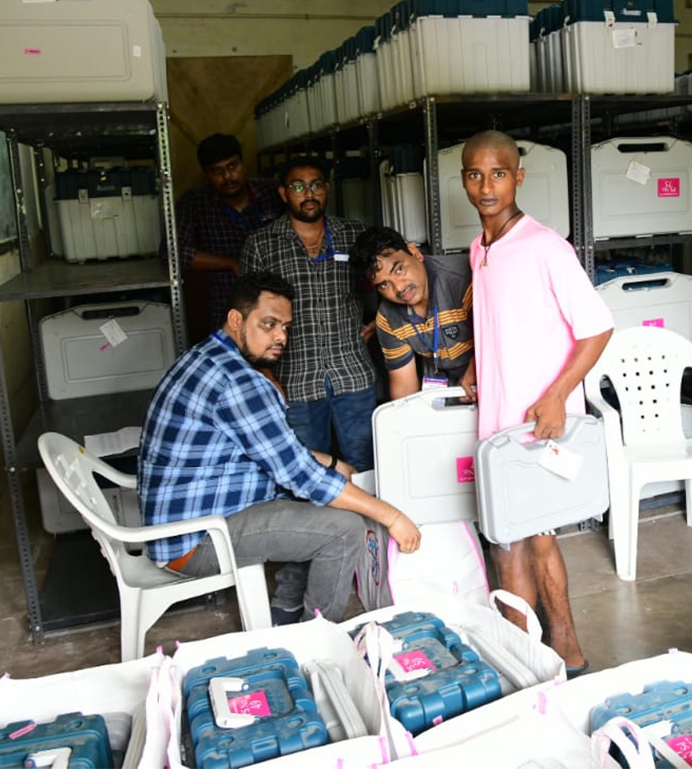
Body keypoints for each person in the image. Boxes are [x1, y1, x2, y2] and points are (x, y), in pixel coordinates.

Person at [137, 272, 420, 625]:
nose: (279, 337)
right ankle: (319, 638)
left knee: (320, 492)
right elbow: (302, 477)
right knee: (343, 530)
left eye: (285, 327)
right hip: (197, 539)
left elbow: (275, 450)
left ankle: (285, 612)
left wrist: (332, 462)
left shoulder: (206, 357)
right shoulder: (239, 382)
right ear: (236, 319)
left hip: (191, 519)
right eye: (268, 324)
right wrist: (392, 516)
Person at [461, 130, 614, 675]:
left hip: (539, 422)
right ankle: (531, 655)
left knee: (539, 541)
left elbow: (597, 328)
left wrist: (557, 397)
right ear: (462, 180)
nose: (486, 186)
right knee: (506, 542)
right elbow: (504, 318)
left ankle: (563, 651)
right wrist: (480, 365)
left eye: (498, 173)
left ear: (518, 177)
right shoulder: (480, 248)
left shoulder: (547, 246)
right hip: (498, 420)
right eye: (475, 174)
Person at [240, 156, 378, 470]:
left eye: (316, 185)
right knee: (306, 469)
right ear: (283, 193)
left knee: (366, 464)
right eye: (298, 186)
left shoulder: (352, 234)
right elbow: (250, 319)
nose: (309, 193)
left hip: (352, 372)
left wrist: (377, 323)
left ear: (327, 189)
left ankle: (371, 521)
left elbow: (384, 281)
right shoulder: (261, 244)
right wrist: (265, 374)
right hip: (295, 379)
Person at [351, 226, 476, 401]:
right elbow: (404, 389)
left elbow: (503, 337)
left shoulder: (465, 280)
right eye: (384, 285)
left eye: (399, 269)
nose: (399, 287)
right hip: (451, 386)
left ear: (414, 252)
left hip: (499, 374)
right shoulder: (388, 319)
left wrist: (476, 372)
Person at [174, 134, 284, 332]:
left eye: (232, 166)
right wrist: (231, 263)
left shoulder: (272, 193)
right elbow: (173, 253)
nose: (228, 176)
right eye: (218, 171)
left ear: (244, 164)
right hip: (228, 307)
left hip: (279, 300)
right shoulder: (195, 202)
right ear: (206, 174)